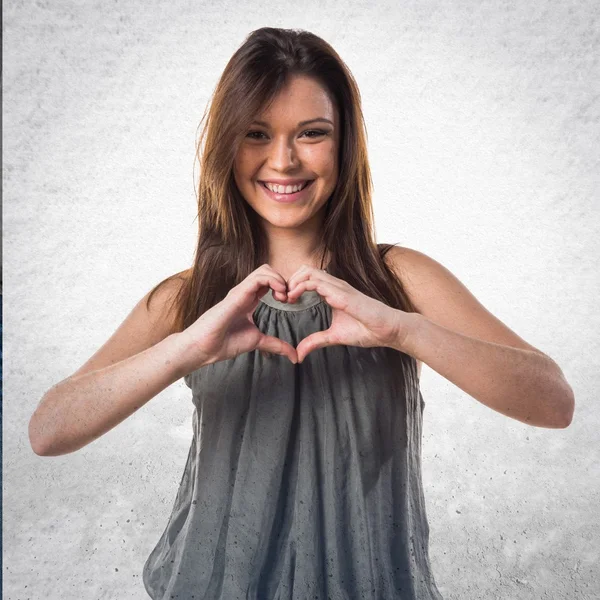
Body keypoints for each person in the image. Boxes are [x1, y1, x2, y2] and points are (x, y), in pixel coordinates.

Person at [28, 27, 575, 600]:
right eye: (256, 134)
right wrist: (185, 348)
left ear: (344, 146)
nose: (283, 160)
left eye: (312, 134)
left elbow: (553, 401)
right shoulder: (187, 296)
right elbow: (48, 430)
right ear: (226, 146)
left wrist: (403, 329)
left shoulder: (399, 279)